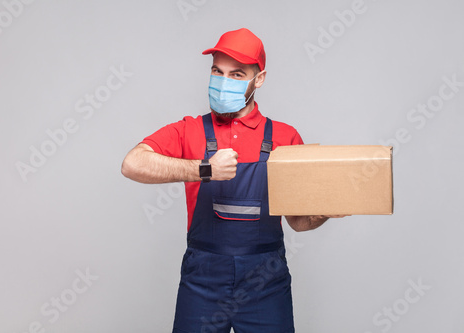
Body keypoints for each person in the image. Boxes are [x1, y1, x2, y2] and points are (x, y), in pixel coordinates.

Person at [122, 28, 346, 333]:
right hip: (203, 277)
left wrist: (325, 212)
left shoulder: (286, 137)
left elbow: (298, 221)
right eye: (217, 71)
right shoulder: (189, 130)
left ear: (259, 79)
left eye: (237, 74)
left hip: (265, 280)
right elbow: (132, 163)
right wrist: (203, 170)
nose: (223, 81)